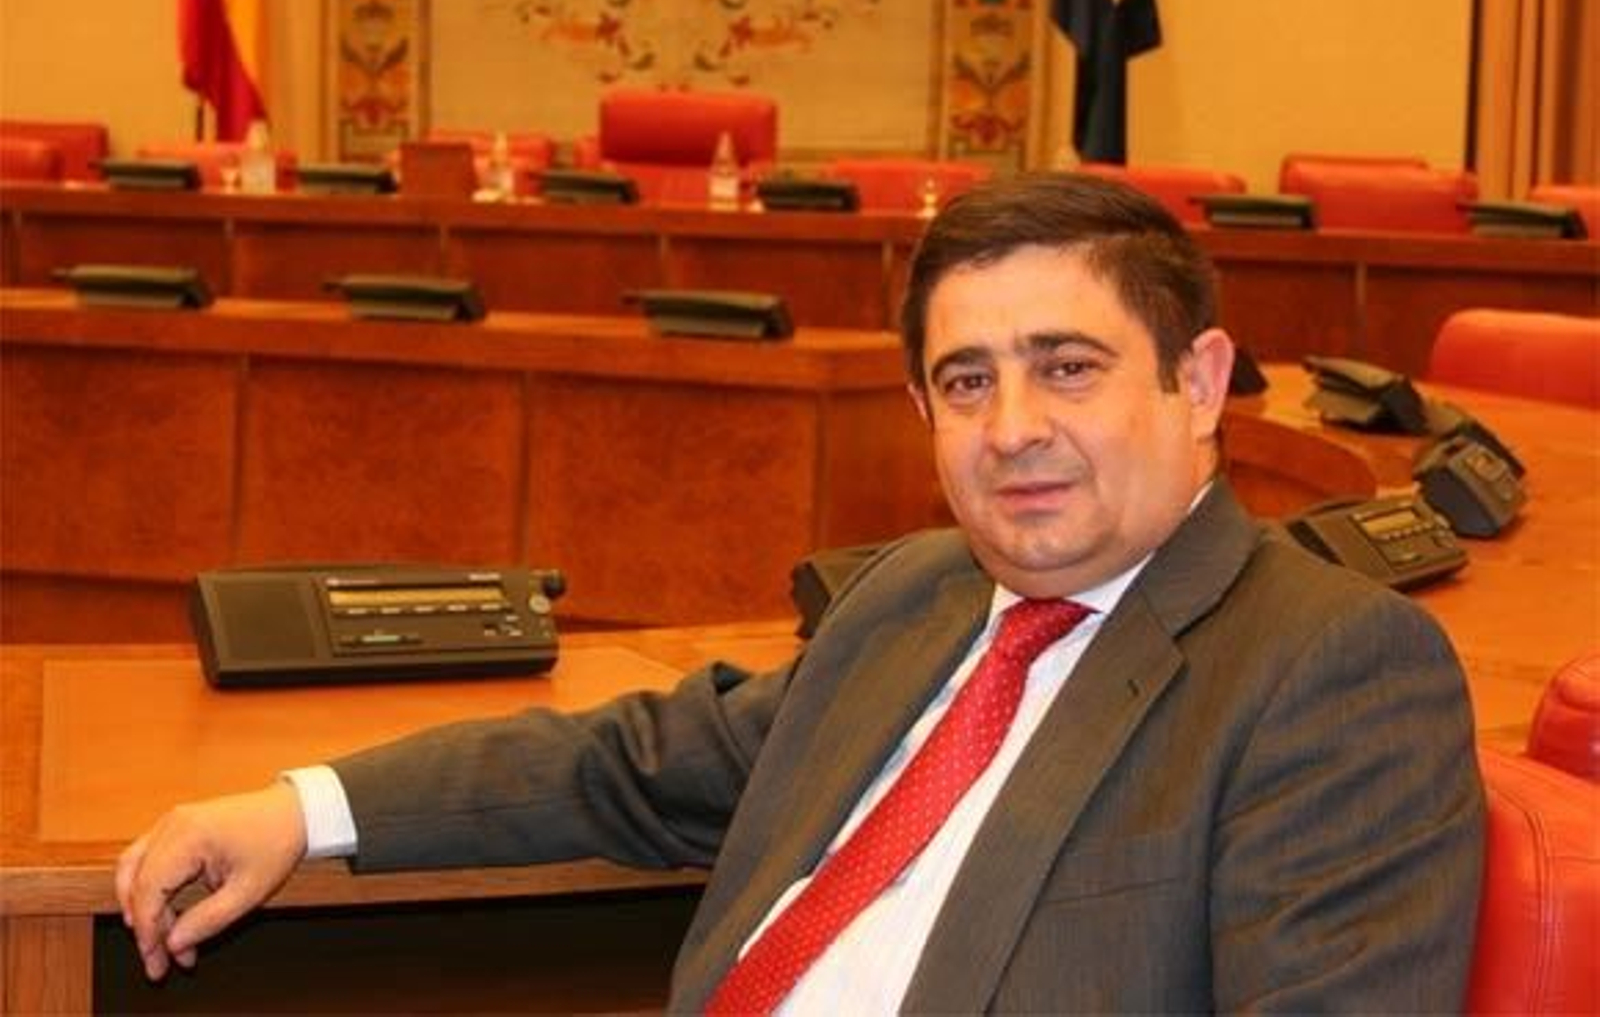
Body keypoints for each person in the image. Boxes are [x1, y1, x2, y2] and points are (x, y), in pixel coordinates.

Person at [118, 173, 1484, 1011]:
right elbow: (634, 766)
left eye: (1068, 367)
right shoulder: (917, 596)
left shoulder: (1328, 671)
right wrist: (301, 808)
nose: (1012, 428)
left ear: (1197, 382)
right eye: (966, 382)